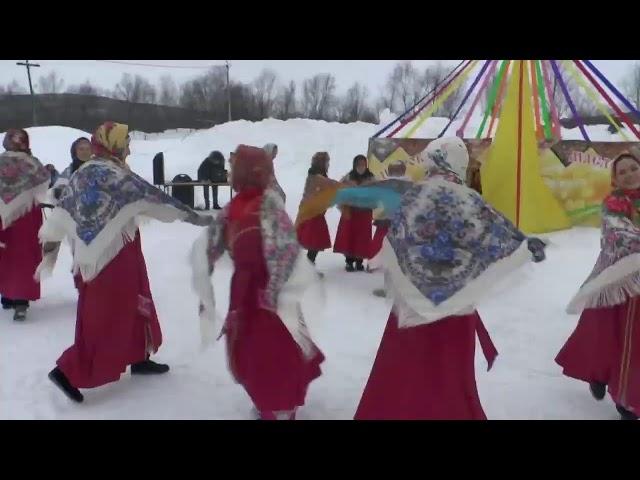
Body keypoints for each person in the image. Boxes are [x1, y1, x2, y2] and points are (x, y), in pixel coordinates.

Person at [353, 141, 534, 420]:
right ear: (458, 162)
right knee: (449, 374)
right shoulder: (469, 199)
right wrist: (525, 247)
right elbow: (495, 240)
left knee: (402, 369)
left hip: (411, 304)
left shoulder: (414, 195)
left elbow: (396, 242)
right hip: (455, 308)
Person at [40, 121, 211, 403]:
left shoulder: (88, 171)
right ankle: (67, 371)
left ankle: (138, 355)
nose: (129, 146)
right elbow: (154, 199)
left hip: (115, 250)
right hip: (111, 258)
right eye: (126, 141)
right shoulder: (111, 174)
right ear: (114, 144)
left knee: (135, 302)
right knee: (107, 314)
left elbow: (64, 211)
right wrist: (195, 217)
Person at [190, 145, 325, 420]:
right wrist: (205, 273)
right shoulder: (234, 206)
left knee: (273, 347)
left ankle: (281, 404)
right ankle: (268, 397)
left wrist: (274, 291)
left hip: (269, 290)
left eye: (234, 166)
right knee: (253, 348)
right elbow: (212, 244)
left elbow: (286, 252)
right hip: (248, 289)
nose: (229, 172)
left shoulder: (268, 205)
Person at [557, 152, 640, 420]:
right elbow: (619, 235)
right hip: (618, 281)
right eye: (622, 171)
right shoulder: (613, 203)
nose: (629, 174)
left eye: (633, 168)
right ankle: (625, 399)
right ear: (615, 178)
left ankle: (603, 374)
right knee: (614, 336)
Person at [0, 129, 49, 321]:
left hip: (5, 216)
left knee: (7, 254)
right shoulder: (32, 163)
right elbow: (45, 179)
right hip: (27, 215)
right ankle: (19, 299)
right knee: (23, 256)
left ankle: (10, 296)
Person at [333, 155, 375, 272]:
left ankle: (359, 261)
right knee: (349, 236)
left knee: (362, 238)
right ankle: (349, 262)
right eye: (359, 164)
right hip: (350, 212)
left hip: (364, 213)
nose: (361, 167)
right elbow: (339, 192)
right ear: (354, 165)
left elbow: (376, 195)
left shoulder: (371, 179)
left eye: (363, 164)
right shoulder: (348, 178)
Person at [296, 152, 336, 265]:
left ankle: (308, 266)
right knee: (314, 243)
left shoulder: (316, 175)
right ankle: (309, 267)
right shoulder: (317, 177)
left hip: (314, 213)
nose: (328, 164)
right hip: (313, 214)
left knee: (314, 243)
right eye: (327, 162)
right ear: (321, 163)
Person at [50, 137, 92, 203]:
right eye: (81, 149)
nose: (85, 152)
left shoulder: (98, 168)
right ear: (75, 152)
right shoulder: (68, 171)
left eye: (88, 149)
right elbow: (57, 192)